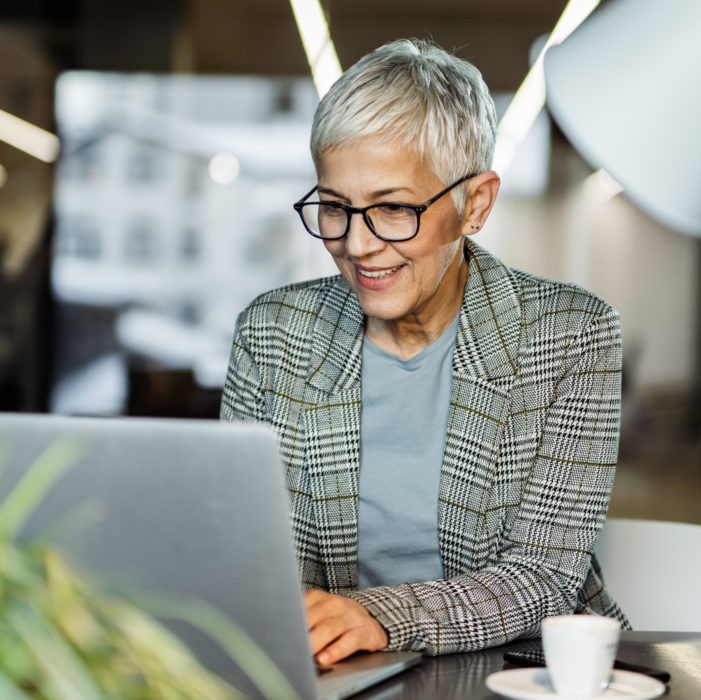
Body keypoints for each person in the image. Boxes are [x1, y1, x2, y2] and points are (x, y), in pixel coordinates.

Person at [220, 38, 627, 666]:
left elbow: (544, 579)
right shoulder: (272, 336)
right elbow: (247, 554)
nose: (357, 244)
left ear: (476, 205)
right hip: (333, 667)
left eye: (392, 208)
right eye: (334, 208)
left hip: (525, 668)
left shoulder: (568, 335)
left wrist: (380, 616)